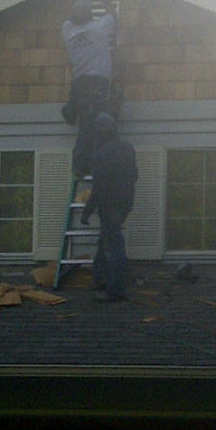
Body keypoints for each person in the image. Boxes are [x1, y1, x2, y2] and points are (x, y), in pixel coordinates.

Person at [81, 114, 137, 302]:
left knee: (113, 245)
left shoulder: (101, 153)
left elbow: (99, 186)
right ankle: (100, 279)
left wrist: (87, 211)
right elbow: (134, 175)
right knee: (106, 239)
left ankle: (115, 291)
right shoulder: (127, 148)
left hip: (110, 204)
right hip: (125, 202)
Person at [61, 0, 117, 177]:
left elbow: (69, 19)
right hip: (97, 84)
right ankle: (89, 166)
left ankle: (81, 165)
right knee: (95, 125)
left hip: (79, 85)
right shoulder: (99, 28)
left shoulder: (68, 31)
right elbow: (112, 16)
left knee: (86, 123)